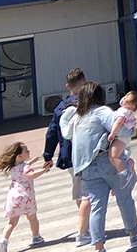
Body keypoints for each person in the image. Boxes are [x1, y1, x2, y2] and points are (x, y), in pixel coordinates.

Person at [69, 82, 137, 252]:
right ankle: (134, 234)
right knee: (124, 197)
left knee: (97, 206)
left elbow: (70, 137)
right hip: (107, 161)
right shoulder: (102, 111)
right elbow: (122, 130)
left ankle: (99, 246)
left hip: (86, 166)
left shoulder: (77, 117)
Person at [41, 67, 91, 247]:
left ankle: (87, 226)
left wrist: (47, 156)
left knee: (80, 191)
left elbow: (52, 132)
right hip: (90, 153)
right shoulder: (90, 101)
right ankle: (84, 232)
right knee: (89, 193)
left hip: (70, 156)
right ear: (85, 82)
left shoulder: (60, 108)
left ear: (68, 86)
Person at [0, 141, 49, 252]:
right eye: (26, 151)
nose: (29, 151)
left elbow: (22, 168)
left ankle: (3, 241)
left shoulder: (14, 167)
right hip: (26, 197)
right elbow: (30, 175)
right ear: (20, 156)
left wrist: (31, 162)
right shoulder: (25, 168)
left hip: (14, 197)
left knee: (12, 222)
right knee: (32, 218)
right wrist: (44, 170)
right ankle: (36, 236)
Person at [107, 91, 137, 186]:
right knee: (118, 156)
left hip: (121, 138)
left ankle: (125, 175)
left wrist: (112, 133)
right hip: (124, 138)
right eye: (124, 98)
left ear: (132, 105)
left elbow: (119, 122)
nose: (123, 101)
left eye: (126, 101)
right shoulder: (129, 111)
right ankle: (128, 162)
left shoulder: (124, 111)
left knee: (113, 156)